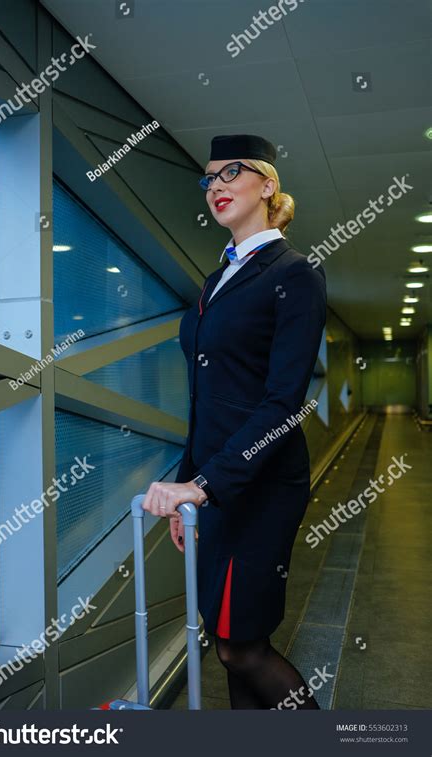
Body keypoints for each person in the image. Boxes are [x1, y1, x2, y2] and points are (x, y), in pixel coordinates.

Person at [142, 134, 326, 709]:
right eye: (209, 179)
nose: (215, 186)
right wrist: (191, 481)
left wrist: (203, 484)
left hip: (262, 484)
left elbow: (282, 402)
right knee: (225, 642)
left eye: (231, 173)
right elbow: (209, 400)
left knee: (242, 646)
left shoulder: (295, 274)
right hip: (218, 483)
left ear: (268, 185)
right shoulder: (219, 276)